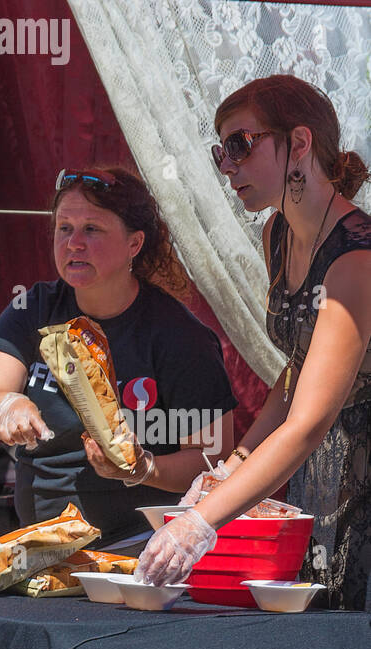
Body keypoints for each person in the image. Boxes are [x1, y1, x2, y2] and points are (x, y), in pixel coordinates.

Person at [137, 77, 371, 609]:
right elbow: (297, 370)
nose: (227, 166)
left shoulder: (357, 258)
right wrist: (234, 463)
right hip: (320, 475)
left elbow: (309, 422)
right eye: (221, 151)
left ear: (301, 144)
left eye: (240, 145)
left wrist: (201, 521)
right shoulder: (278, 234)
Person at [0, 167, 238, 544]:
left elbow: (214, 457)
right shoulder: (32, 308)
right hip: (39, 539)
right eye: (64, 228)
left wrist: (144, 469)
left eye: (92, 229)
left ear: (134, 243)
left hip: (137, 545)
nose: (74, 243)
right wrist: (5, 406)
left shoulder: (178, 335)